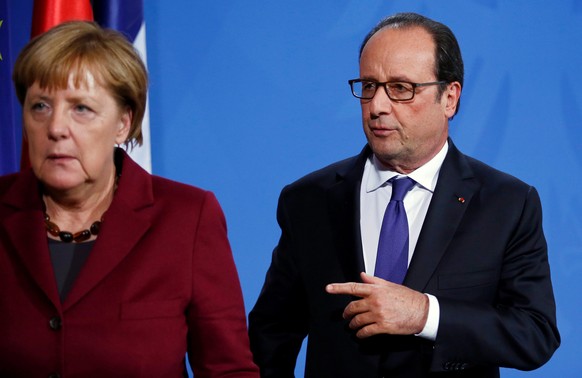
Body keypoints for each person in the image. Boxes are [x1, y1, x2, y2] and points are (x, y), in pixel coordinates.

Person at [248, 12, 559, 378]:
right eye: (368, 86)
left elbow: (534, 334)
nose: (377, 106)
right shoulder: (308, 200)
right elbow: (270, 335)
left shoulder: (506, 203)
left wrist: (425, 315)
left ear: (450, 98)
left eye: (400, 88)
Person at [0, 21, 259, 377]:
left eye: (81, 109)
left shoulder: (186, 219)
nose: (56, 127)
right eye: (40, 106)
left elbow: (227, 370)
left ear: (123, 122)